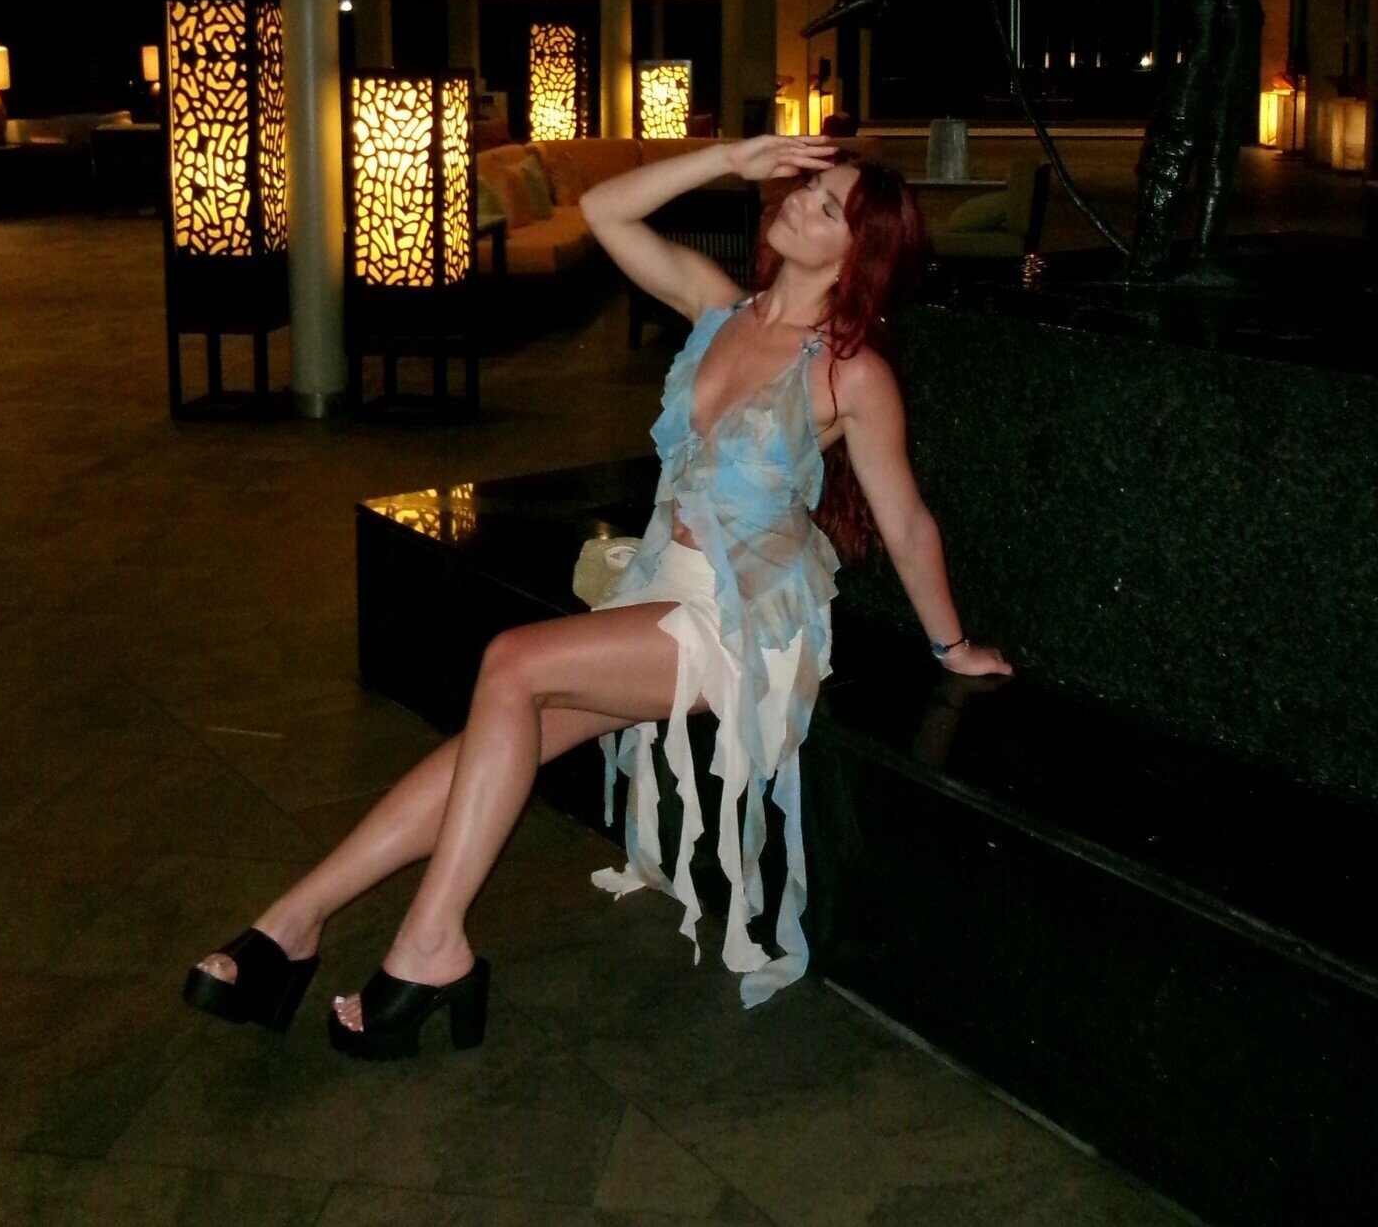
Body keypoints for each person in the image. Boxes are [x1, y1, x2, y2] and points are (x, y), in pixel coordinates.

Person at [182, 133, 1013, 1059]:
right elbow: (605, 211)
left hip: (739, 621)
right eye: (810, 184)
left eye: (827, 207)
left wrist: (951, 647)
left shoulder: (849, 373)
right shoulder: (719, 308)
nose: (798, 200)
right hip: (659, 588)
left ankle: (431, 944)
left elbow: (907, 523)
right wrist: (727, 160)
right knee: (498, 734)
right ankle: (295, 920)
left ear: (858, 258)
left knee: (511, 663)